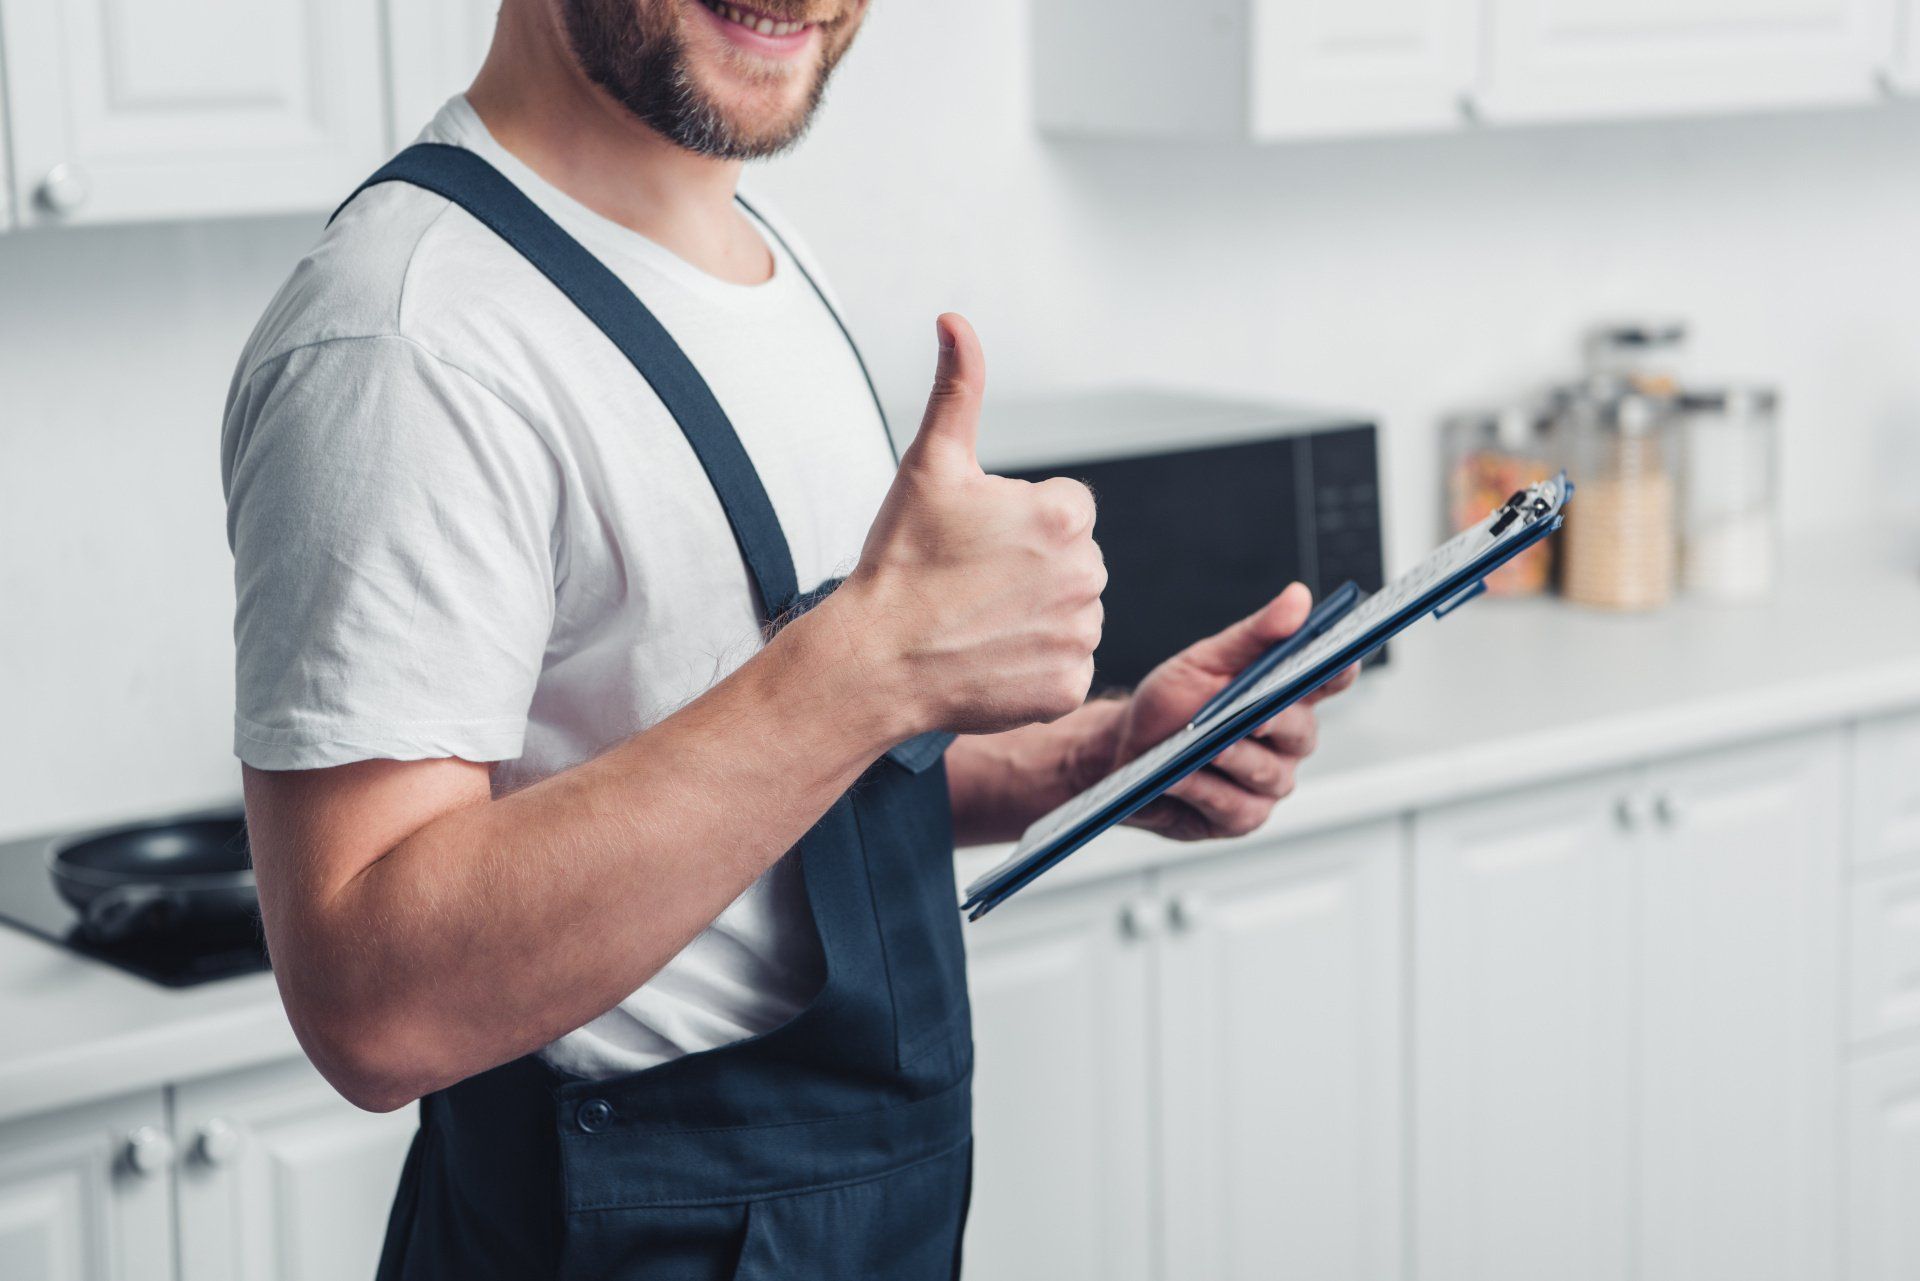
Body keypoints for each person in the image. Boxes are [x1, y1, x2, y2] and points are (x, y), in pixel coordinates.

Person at [221, 1, 1354, 1276]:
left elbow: (765, 790)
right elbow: (376, 1006)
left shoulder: (756, 250)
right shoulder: (408, 337)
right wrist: (874, 662)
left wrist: (1088, 761)